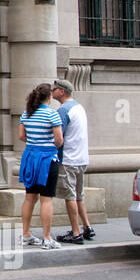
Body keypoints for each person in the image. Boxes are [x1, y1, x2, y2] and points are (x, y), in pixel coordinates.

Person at [19, 83, 63, 249]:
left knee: (30, 197)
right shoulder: (52, 115)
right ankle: (46, 238)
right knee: (46, 199)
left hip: (30, 156)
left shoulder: (27, 114)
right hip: (47, 158)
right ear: (49, 97)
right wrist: (48, 144)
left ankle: (26, 233)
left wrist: (34, 142)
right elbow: (59, 140)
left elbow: (21, 136)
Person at [52, 79, 93, 244]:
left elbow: (59, 138)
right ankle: (87, 227)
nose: (52, 92)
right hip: (82, 158)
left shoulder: (63, 110)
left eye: (54, 89)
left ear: (61, 92)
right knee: (79, 196)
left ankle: (76, 232)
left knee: (70, 196)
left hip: (68, 159)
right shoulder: (79, 107)